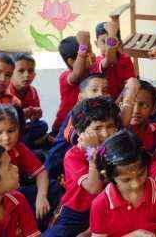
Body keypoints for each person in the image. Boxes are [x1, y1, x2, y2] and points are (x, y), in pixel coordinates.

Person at [45, 97, 119, 236]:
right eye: (97, 128)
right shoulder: (73, 155)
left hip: (107, 209)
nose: (105, 133)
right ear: (80, 132)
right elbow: (94, 187)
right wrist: (93, 153)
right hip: (76, 214)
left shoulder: (115, 149)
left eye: (110, 126)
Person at [90, 130, 156, 237]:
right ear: (109, 176)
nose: (136, 184)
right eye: (126, 180)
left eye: (141, 174)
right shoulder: (100, 205)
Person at [0, 105, 57, 225]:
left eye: (11, 130)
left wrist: (41, 196)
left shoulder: (18, 148)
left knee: (53, 187)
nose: (6, 138)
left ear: (19, 130)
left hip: (16, 192)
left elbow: (41, 172)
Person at [53, 31, 96, 134]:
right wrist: (83, 48)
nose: (92, 56)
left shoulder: (92, 71)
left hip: (83, 124)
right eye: (86, 54)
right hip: (63, 127)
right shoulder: (66, 77)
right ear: (71, 62)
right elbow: (77, 73)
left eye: (90, 50)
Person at [9, 53, 48, 149]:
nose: (26, 75)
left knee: (43, 125)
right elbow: (1, 122)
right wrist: (21, 116)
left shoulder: (32, 91)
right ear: (11, 73)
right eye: (21, 71)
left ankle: (24, 144)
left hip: (22, 129)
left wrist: (36, 114)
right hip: (7, 130)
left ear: (34, 75)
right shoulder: (6, 91)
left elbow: (33, 120)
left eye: (30, 71)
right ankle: (26, 145)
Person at [94, 21, 137, 100]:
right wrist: (112, 35)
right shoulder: (97, 61)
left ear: (119, 44)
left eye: (111, 40)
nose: (107, 45)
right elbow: (109, 59)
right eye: (104, 41)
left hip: (123, 101)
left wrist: (119, 103)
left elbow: (130, 84)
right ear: (96, 44)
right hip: (104, 104)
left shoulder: (126, 59)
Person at [126, 80, 156, 157]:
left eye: (143, 105)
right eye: (132, 103)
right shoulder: (118, 131)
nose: (136, 110)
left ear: (153, 109)